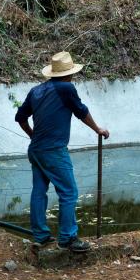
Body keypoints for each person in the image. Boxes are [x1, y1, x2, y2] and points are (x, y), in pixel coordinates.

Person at [14, 51, 109, 253]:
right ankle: (67, 238)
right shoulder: (66, 88)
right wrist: (98, 129)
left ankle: (40, 235)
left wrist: (32, 135)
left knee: (39, 191)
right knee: (69, 192)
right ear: (70, 73)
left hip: (36, 150)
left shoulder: (36, 90)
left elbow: (20, 117)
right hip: (54, 150)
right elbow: (81, 111)